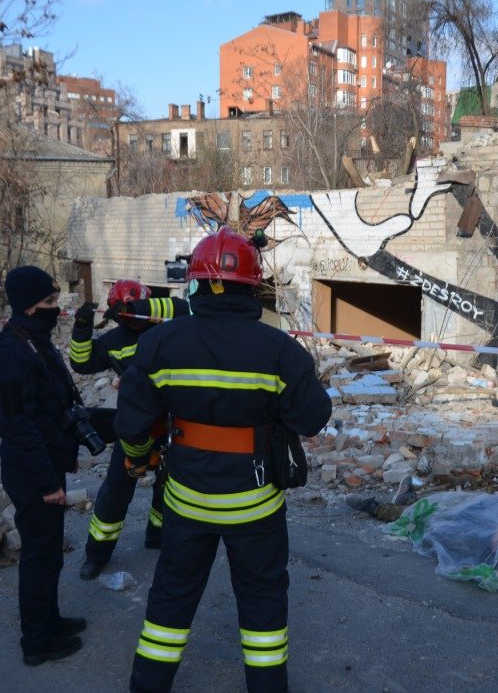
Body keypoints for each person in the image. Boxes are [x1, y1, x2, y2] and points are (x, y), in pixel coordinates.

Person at [115, 227, 331, 693]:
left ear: (194, 284)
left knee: (170, 602)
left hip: (186, 501)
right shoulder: (280, 350)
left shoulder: (159, 344)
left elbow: (133, 427)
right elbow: (313, 417)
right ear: (253, 286)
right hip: (256, 504)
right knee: (263, 607)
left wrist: (139, 459)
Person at [0, 265, 87, 666]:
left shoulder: (33, 342)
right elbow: (17, 427)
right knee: (40, 556)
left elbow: (50, 406)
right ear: (28, 306)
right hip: (32, 474)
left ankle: (50, 619)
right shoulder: (11, 354)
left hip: (45, 465)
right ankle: (37, 642)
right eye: (48, 302)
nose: (55, 309)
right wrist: (47, 482)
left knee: (50, 553)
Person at [69, 280, 190, 579]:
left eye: (130, 312)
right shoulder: (114, 341)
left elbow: (182, 306)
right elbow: (81, 362)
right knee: (116, 490)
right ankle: (97, 554)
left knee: (169, 484)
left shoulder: (168, 327)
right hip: (135, 424)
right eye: (121, 313)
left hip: (172, 421)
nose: (128, 319)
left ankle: (157, 535)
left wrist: (138, 308)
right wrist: (82, 326)